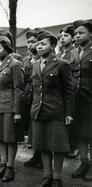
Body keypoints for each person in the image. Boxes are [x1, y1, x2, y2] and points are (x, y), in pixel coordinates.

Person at [30, 29, 74, 187]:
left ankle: (57, 178)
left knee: (58, 146)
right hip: (38, 111)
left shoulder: (62, 64)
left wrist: (69, 113)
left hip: (56, 111)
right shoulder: (34, 64)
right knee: (42, 145)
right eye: (38, 44)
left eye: (43, 44)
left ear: (53, 45)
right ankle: (46, 176)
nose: (39, 46)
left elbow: (69, 90)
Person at [0, 36, 25, 182]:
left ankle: (10, 167)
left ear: (7, 48)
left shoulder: (15, 64)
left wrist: (17, 112)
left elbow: (19, 90)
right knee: (0, 138)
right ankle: (3, 164)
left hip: (9, 106)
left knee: (10, 139)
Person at [71, 20, 92, 181]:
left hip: (90, 100)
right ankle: (84, 163)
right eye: (76, 33)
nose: (77, 35)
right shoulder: (74, 52)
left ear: (90, 34)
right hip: (77, 100)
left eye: (81, 32)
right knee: (81, 134)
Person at [57, 25, 80, 159]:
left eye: (66, 36)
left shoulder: (75, 53)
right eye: (61, 37)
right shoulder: (59, 55)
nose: (62, 39)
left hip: (73, 90)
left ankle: (74, 147)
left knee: (72, 118)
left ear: (72, 38)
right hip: (61, 91)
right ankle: (65, 145)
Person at [22, 29, 43, 169]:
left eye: (33, 42)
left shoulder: (42, 59)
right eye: (28, 42)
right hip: (28, 95)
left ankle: (41, 157)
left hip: (39, 96)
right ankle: (36, 155)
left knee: (40, 127)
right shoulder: (25, 60)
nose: (30, 45)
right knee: (32, 127)